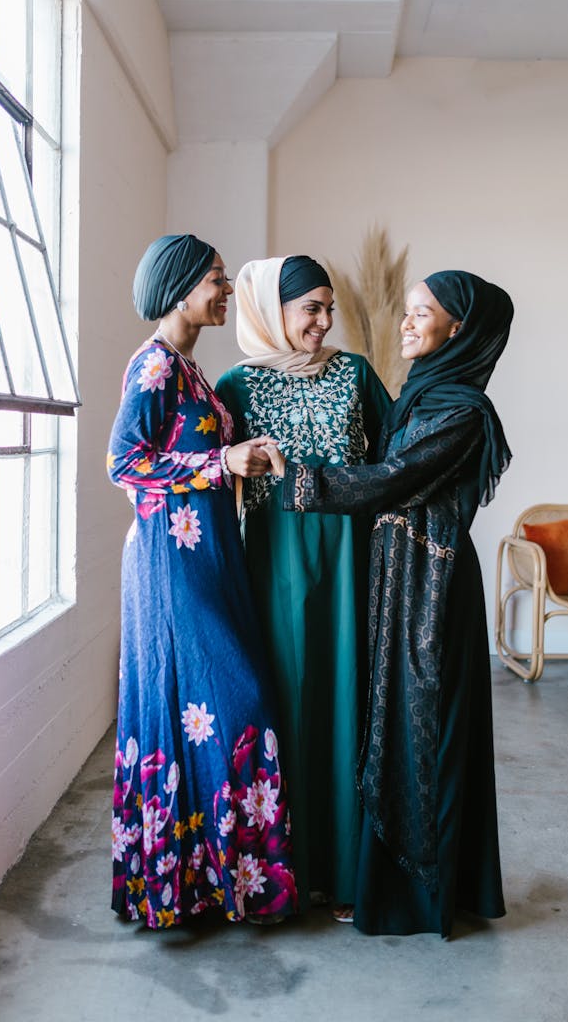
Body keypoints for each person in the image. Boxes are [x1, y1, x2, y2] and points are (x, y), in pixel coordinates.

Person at [277, 269, 513, 937]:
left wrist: (293, 479)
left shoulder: (462, 411)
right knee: (391, 726)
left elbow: (391, 480)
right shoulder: (420, 395)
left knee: (422, 728)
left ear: (458, 330)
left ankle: (420, 896)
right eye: (406, 312)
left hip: (429, 593)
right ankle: (391, 881)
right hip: (396, 579)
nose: (406, 324)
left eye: (421, 314)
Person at [107, 233, 297, 929]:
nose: (224, 291)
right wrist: (223, 463)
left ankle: (206, 888)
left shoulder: (189, 368)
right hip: (171, 562)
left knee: (209, 709)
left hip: (209, 557)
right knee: (233, 699)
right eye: (215, 279)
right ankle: (213, 883)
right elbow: (122, 464)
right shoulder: (155, 366)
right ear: (180, 286)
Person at [216, 256, 391, 919]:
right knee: (284, 703)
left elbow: (395, 458)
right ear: (271, 310)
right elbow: (207, 472)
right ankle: (282, 874)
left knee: (347, 699)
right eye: (308, 308)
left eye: (327, 309)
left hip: (349, 560)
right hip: (273, 565)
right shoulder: (235, 387)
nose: (322, 322)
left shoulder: (353, 374)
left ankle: (348, 875)